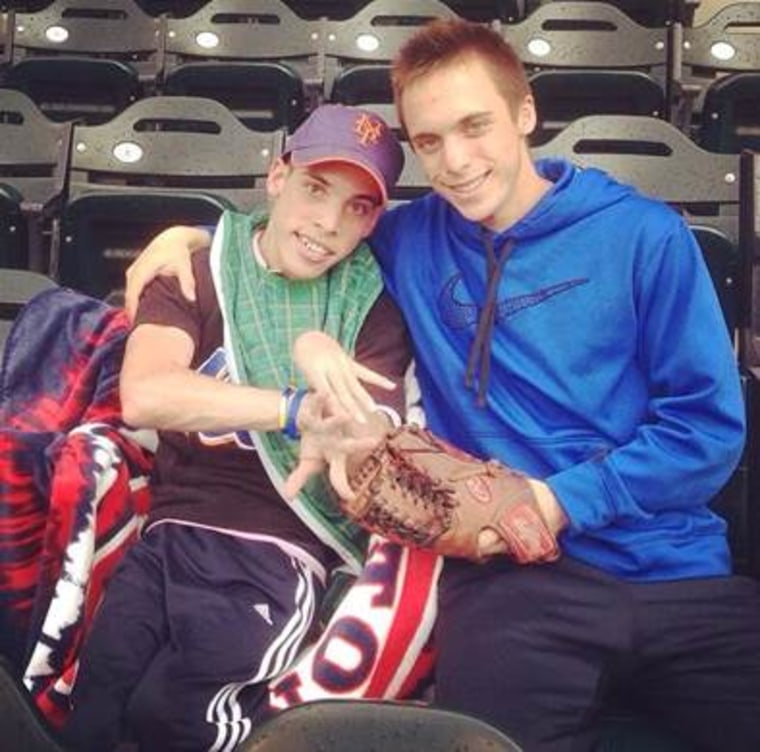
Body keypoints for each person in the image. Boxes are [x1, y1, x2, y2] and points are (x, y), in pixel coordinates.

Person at [124, 19, 760, 752]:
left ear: (525, 114)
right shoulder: (410, 237)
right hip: (513, 585)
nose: (455, 162)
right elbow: (300, 237)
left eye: (475, 126)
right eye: (429, 142)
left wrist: (557, 502)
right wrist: (200, 237)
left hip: (675, 573)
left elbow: (707, 432)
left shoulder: (646, 236)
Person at [62, 103, 411, 752]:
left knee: (183, 718)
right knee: (98, 705)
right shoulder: (200, 268)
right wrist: (294, 404)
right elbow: (145, 395)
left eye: (357, 207)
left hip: (276, 555)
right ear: (278, 176)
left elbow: (366, 434)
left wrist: (331, 394)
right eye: (315, 189)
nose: (328, 224)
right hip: (167, 534)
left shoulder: (372, 306)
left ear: (374, 221)